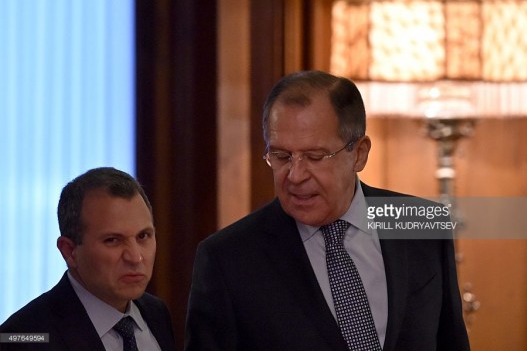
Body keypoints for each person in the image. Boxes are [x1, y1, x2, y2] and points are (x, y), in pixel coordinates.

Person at [185, 71, 470, 350]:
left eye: (315, 156)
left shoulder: (422, 225)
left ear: (359, 153)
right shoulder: (229, 259)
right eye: (281, 156)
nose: (295, 175)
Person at [0, 167, 176, 351]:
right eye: (113, 240)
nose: (135, 257)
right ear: (69, 251)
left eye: (143, 236)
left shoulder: (157, 313)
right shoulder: (22, 338)